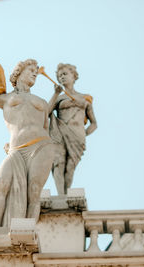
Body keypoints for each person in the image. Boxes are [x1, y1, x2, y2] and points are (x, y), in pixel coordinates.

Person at [0, 59, 55, 227]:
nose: (34, 73)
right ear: (19, 73)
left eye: (36, 72)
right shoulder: (5, 98)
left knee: (34, 190)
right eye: (30, 70)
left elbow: (47, 127)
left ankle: (27, 229)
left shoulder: (42, 102)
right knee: (1, 182)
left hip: (41, 146)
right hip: (16, 149)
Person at [48, 63, 97, 195]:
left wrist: (84, 134)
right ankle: (61, 195)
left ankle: (67, 193)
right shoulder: (59, 98)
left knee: (70, 167)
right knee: (59, 162)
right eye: (59, 76)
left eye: (65, 74)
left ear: (73, 76)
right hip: (60, 133)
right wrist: (55, 93)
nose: (62, 77)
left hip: (77, 135)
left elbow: (94, 123)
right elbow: (46, 112)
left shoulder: (84, 98)